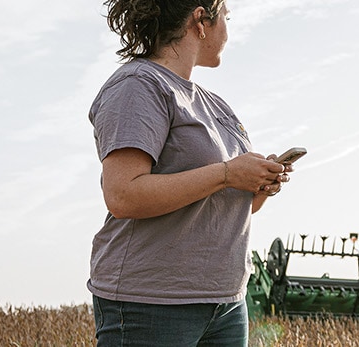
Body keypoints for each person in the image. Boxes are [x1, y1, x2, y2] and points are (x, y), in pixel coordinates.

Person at [88, 0, 289, 345]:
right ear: (200, 20)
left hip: (225, 304)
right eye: (226, 17)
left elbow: (224, 204)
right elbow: (123, 194)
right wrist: (226, 173)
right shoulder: (138, 85)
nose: (228, 28)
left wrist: (256, 185)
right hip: (150, 305)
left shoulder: (216, 105)